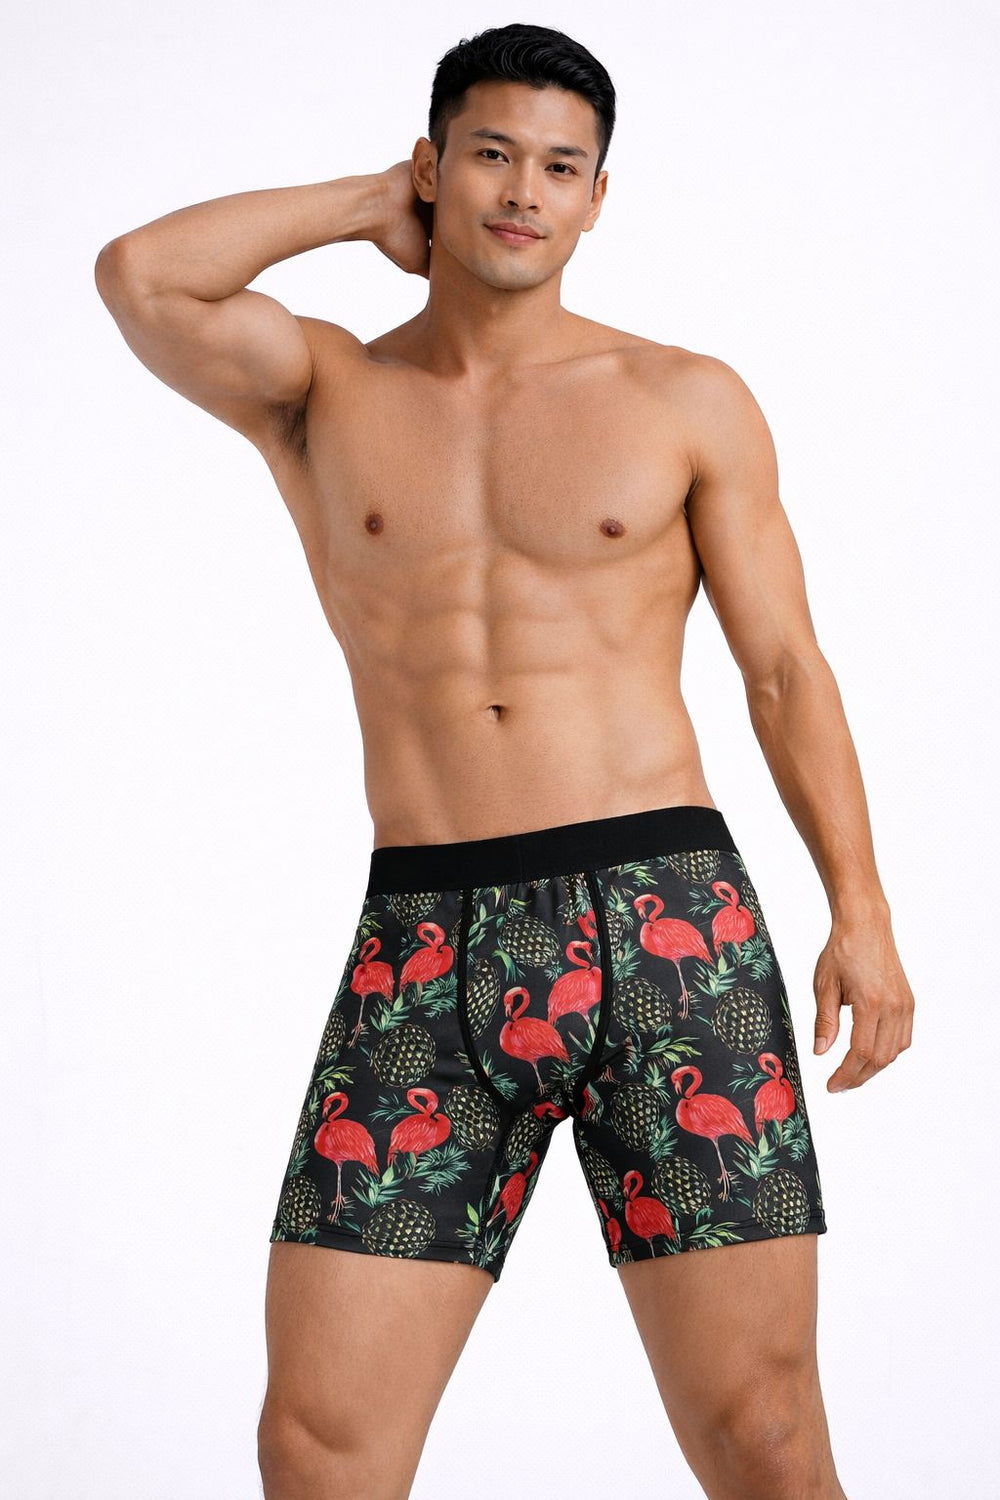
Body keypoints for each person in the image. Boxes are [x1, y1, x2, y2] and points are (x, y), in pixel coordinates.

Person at [94, 21, 914, 1500]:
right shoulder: (325, 392)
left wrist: (861, 909)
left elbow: (784, 670)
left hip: (667, 925)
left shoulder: (682, 398)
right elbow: (141, 275)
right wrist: (365, 205)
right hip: (426, 932)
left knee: (765, 1432)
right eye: (489, 156)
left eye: (561, 167)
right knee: (316, 1443)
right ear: (435, 168)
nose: (524, 192)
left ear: (600, 196)